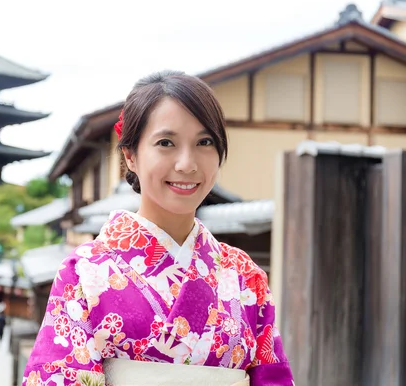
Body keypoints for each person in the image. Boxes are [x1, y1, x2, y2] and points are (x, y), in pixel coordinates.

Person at [22, 71, 295, 386]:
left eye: (205, 142)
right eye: (166, 143)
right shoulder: (85, 273)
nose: (187, 164)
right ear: (131, 156)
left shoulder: (246, 277)